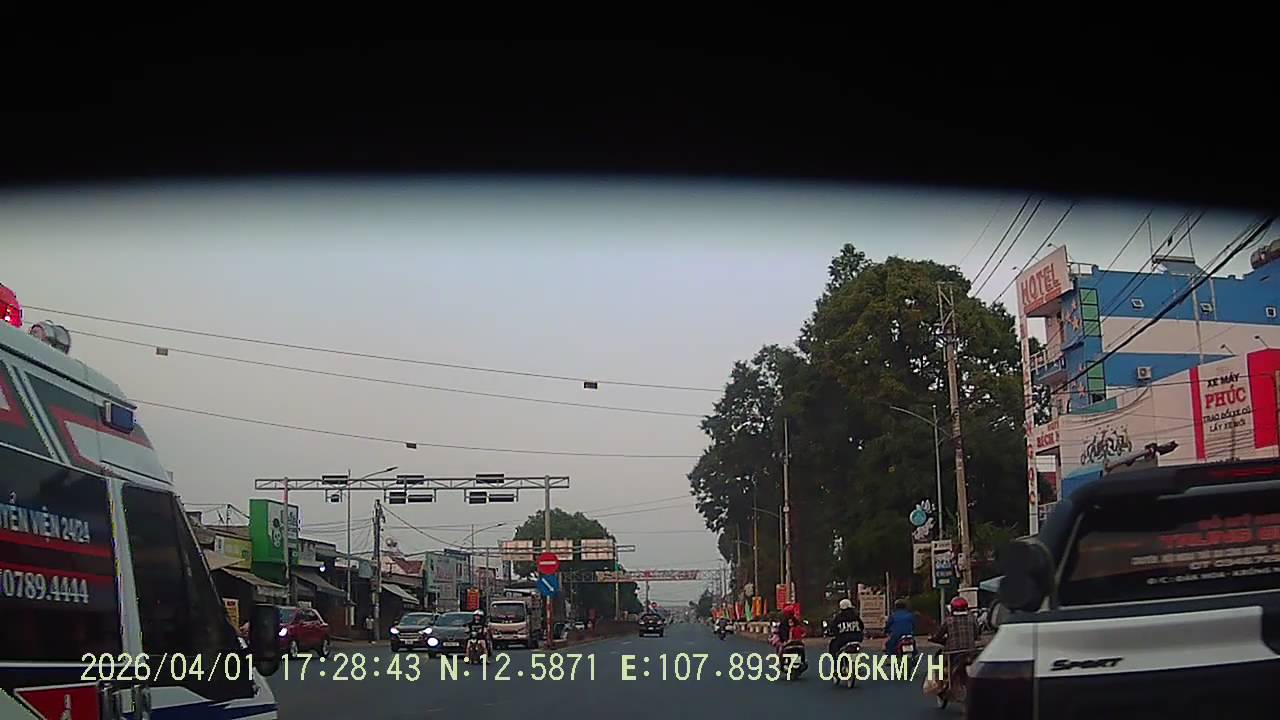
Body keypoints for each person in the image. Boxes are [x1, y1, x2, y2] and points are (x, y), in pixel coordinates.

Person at [931, 597, 980, 691]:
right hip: (970, 651)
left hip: (953, 652)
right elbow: (977, 634)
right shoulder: (972, 618)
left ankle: (939, 684)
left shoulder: (949, 620)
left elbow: (939, 635)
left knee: (937, 661)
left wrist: (934, 638)